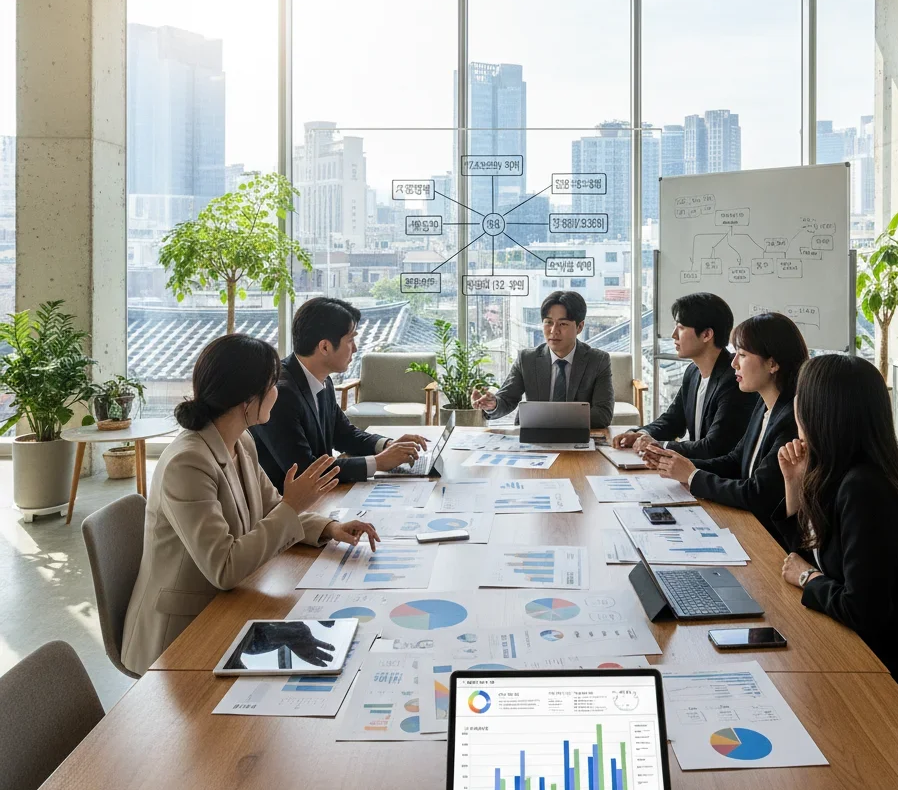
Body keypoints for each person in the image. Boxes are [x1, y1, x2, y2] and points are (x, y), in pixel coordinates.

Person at [121, 334, 380, 677]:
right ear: (247, 400)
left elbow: (272, 507)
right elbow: (224, 568)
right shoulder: (187, 463)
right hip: (180, 635)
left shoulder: (240, 440)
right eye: (273, 384)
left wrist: (328, 527)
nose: (278, 392)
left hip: (226, 608)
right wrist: (292, 506)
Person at [774, 354, 898, 743]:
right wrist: (794, 486)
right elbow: (802, 554)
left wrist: (807, 579)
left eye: (802, 397)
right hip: (871, 656)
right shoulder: (840, 472)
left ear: (823, 413)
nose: (795, 407)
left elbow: (861, 610)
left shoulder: (865, 489)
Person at [645, 311, 808, 530]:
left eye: (742, 355)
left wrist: (693, 476)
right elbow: (734, 461)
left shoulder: (791, 420)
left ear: (772, 364)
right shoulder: (763, 405)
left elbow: (757, 493)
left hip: (767, 535)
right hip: (746, 521)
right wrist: (675, 465)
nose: (734, 364)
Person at [252, 297, 429, 492]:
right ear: (325, 347)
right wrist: (378, 463)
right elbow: (306, 471)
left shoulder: (322, 380)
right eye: (351, 340)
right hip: (287, 507)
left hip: (320, 496)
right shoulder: (280, 393)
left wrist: (387, 445)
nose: (355, 348)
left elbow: (344, 435)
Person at [612, 292, 755, 459]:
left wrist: (658, 445)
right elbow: (673, 420)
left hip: (715, 476)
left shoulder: (734, 380)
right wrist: (641, 433)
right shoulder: (693, 372)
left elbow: (714, 447)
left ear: (706, 335)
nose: (673, 335)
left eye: (681, 328)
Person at [470, 290, 615, 428]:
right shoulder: (527, 359)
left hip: (579, 437)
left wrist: (550, 417)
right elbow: (506, 400)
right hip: (533, 438)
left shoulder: (598, 361)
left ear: (580, 327)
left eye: (563, 324)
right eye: (548, 322)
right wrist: (492, 404)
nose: (553, 331)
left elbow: (603, 414)